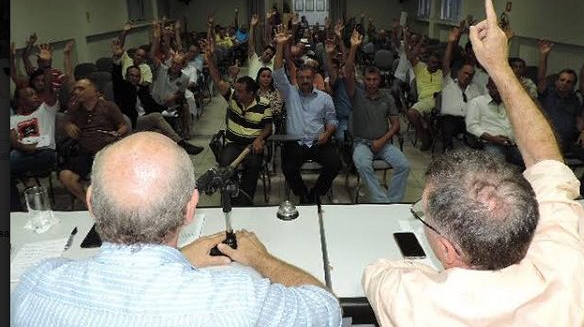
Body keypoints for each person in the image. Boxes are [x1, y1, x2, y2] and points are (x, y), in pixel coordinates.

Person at [362, 0, 584, 326]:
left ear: (447, 250)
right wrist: (499, 66)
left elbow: (378, 272)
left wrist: (419, 267)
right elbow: (547, 160)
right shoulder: (567, 274)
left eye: (423, 214)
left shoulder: (415, 303)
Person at [11, 132, 342, 326]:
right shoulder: (239, 299)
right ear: (190, 208)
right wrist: (262, 260)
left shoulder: (34, 286)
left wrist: (182, 258)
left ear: (91, 203)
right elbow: (327, 311)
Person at [272, 30, 341, 204]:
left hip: (319, 141)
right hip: (296, 142)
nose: (304, 81)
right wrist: (280, 46)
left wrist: (327, 133)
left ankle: (317, 193)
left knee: (335, 163)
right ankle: (303, 194)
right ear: (297, 78)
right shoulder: (289, 93)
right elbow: (278, 73)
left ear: (314, 79)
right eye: (301, 77)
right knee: (288, 167)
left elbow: (333, 120)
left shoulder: (325, 98)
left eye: (308, 78)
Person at [201, 39, 272, 206]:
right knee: (225, 163)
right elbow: (219, 81)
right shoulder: (233, 98)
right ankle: (231, 195)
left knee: (253, 166)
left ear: (251, 93)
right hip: (233, 144)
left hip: (252, 146)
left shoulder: (264, 104)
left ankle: (246, 200)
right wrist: (210, 60)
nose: (236, 94)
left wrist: (259, 139)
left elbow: (268, 127)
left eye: (240, 91)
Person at [344, 30, 410, 203]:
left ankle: (393, 200)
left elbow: (396, 125)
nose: (371, 83)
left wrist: (382, 140)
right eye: (368, 79)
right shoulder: (356, 93)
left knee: (404, 165)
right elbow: (348, 73)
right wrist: (353, 48)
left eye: (374, 79)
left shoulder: (387, 97)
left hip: (383, 144)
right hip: (362, 143)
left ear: (379, 80)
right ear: (364, 80)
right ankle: (381, 201)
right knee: (364, 165)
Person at [536, 39, 584, 198]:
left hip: (568, 142)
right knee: (558, 168)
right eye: (562, 80)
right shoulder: (546, 93)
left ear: (572, 86)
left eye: (569, 82)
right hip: (547, 143)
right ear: (556, 81)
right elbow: (541, 77)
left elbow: (581, 121)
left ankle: (583, 194)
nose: (565, 83)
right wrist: (543, 56)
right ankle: (551, 196)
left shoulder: (575, 100)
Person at [58, 78, 128, 204]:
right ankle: (90, 205)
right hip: (85, 151)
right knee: (65, 176)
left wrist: (116, 134)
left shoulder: (108, 106)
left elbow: (123, 125)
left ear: (94, 91)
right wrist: (67, 124)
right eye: (75, 89)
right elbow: (64, 121)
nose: (76, 92)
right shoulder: (76, 109)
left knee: (108, 179)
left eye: (81, 89)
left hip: (106, 151)